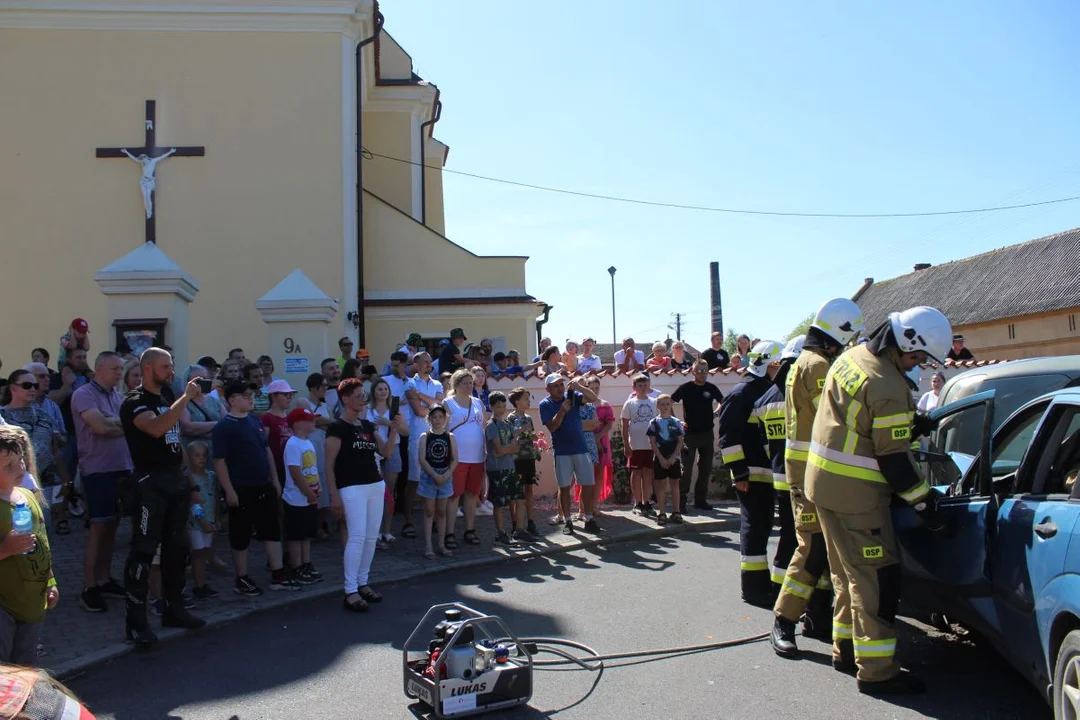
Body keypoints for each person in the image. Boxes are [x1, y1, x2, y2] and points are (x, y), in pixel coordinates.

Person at [806, 306, 951, 695]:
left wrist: (909, 422)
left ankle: (846, 649)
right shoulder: (887, 385)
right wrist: (926, 505)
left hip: (822, 486)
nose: (918, 364)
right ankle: (877, 671)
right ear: (905, 343)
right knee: (876, 579)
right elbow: (894, 462)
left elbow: (860, 423)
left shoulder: (852, 357)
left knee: (845, 574)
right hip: (857, 496)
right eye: (918, 356)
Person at [771, 298, 865, 658]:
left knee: (823, 550)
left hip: (811, 471)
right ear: (834, 339)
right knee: (811, 549)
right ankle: (784, 620)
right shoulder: (820, 367)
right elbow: (842, 415)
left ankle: (815, 619)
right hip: (813, 473)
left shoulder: (804, 363)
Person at [119, 347, 206, 648]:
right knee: (143, 552)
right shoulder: (134, 401)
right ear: (147, 369)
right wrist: (186, 399)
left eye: (171, 365)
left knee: (176, 549)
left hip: (176, 482)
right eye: (165, 366)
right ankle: (136, 622)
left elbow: (174, 439)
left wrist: (191, 483)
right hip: (150, 484)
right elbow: (156, 428)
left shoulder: (167, 397)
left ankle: (174, 609)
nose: (171, 372)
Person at [212, 379, 298, 597]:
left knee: (271, 530)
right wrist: (229, 490)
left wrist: (275, 480)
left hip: (264, 485)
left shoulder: (254, 421)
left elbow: (266, 450)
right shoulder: (224, 427)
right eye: (245, 395)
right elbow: (219, 461)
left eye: (251, 395)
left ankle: (278, 574)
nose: (251, 398)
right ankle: (241, 578)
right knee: (240, 534)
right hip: (241, 488)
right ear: (232, 400)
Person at [718, 340, 783, 606]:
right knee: (754, 527)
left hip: (767, 472)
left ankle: (761, 583)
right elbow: (727, 437)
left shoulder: (764, 389)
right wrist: (739, 473)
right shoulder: (741, 393)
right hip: (751, 473)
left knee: (764, 524)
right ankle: (754, 588)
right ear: (770, 364)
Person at [71, 351, 132, 613]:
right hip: (98, 471)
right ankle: (89, 586)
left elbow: (124, 425)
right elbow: (101, 428)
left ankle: (104, 579)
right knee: (98, 527)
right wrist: (119, 424)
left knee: (112, 527)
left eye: (121, 369)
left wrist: (116, 423)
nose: (120, 373)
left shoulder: (117, 397)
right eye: (115, 369)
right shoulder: (84, 394)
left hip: (122, 469)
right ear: (99, 369)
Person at [326, 378, 393, 612]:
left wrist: (394, 428)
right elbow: (329, 464)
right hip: (351, 486)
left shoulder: (368, 426)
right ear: (345, 399)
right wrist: (333, 496)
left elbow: (385, 451)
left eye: (363, 394)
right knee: (356, 536)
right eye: (357, 394)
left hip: (375, 484)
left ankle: (363, 583)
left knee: (370, 537)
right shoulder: (337, 427)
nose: (362, 398)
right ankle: (350, 590)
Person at [0, 425, 59, 666]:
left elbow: (43, 545)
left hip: (33, 602)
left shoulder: (28, 496)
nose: (20, 468)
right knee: (4, 672)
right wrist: (6, 549)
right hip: (4, 604)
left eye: (21, 460)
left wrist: (51, 581)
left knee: (26, 669)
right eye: (8, 466)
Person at [752, 337, 803, 605]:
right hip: (802, 477)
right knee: (804, 541)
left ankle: (777, 588)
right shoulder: (801, 393)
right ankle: (799, 598)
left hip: (779, 474)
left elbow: (761, 435)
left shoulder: (766, 399)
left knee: (787, 535)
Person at [1, 371, 63, 534]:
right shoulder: (2, 417)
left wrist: (66, 482)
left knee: (43, 530)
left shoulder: (44, 415)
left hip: (44, 483)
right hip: (13, 486)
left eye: (35, 385)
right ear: (13, 388)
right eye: (27, 385)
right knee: (19, 532)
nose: (32, 389)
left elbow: (55, 449)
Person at [541, 375, 603, 535]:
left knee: (588, 484)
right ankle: (567, 521)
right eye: (555, 386)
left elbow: (594, 399)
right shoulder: (545, 404)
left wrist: (580, 387)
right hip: (562, 451)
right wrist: (562, 411)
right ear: (548, 389)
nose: (560, 388)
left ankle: (589, 518)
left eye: (561, 384)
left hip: (581, 448)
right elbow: (553, 427)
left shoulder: (573, 396)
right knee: (564, 487)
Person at [672, 359, 723, 512]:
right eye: (699, 371)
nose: (702, 374)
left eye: (705, 371)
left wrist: (716, 413)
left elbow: (723, 401)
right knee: (686, 469)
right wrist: (677, 421)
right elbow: (670, 401)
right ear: (693, 371)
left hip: (707, 434)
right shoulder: (686, 388)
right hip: (689, 435)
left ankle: (700, 500)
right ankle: (681, 502)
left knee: (706, 468)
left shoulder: (711, 388)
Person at [443, 369, 486, 548]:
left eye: (471, 383)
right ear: (456, 385)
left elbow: (482, 426)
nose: (469, 386)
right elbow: (443, 430)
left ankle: (470, 530)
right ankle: (449, 533)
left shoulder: (478, 402)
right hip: (457, 458)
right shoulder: (448, 403)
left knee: (471, 494)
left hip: (477, 457)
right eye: (465, 383)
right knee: (453, 496)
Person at [486, 392, 535, 545]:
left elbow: (512, 444)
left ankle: (519, 530)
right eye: (498, 406)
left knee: (520, 499)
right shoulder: (491, 425)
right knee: (499, 503)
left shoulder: (506, 423)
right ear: (491, 407)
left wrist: (510, 446)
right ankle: (500, 533)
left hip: (510, 467)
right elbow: (498, 450)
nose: (501, 409)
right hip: (497, 469)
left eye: (503, 406)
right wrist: (509, 448)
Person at [404, 353, 443, 541]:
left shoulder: (437, 384)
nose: (429, 364)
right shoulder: (409, 383)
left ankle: (435, 519)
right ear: (416, 364)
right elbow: (419, 412)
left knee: (435, 479)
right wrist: (432, 405)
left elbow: (440, 409)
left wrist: (420, 396)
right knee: (413, 480)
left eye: (429, 360)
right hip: (417, 438)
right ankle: (408, 521)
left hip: (436, 439)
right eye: (425, 361)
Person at [282, 408, 323, 585]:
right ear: (298, 424)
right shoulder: (292, 444)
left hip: (309, 498)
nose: (313, 422)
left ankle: (306, 563)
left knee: (307, 534)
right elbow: (296, 473)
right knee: (296, 536)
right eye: (310, 420)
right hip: (296, 499)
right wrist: (308, 493)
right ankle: (296, 566)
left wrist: (318, 487)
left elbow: (313, 468)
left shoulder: (308, 443)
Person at [368, 378, 407, 548]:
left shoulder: (394, 410)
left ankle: (387, 530)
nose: (383, 391)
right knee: (375, 495)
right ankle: (374, 531)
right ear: (373, 392)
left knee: (389, 494)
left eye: (385, 389)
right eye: (379, 389)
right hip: (372, 452)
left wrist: (390, 424)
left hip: (393, 450)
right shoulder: (367, 410)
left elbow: (406, 431)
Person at [417, 404, 456, 559]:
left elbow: (455, 459)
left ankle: (441, 544)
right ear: (429, 419)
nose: (437, 420)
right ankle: (428, 546)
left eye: (441, 417)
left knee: (441, 512)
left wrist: (445, 475)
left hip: (445, 476)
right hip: (429, 477)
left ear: (445, 419)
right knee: (429, 512)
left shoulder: (450, 437)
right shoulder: (424, 437)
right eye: (434, 417)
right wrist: (434, 475)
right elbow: (422, 459)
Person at [296, 373, 333, 537]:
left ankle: (319, 526)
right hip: (308, 449)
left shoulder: (327, 406)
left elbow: (332, 424)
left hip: (323, 448)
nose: (325, 389)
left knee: (322, 486)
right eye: (323, 386)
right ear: (313, 387)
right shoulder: (303, 402)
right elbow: (312, 420)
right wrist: (320, 421)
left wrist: (321, 421)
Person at [185, 440, 219, 599]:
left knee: (205, 552)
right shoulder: (189, 479)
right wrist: (204, 522)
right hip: (196, 524)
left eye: (204, 455)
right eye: (196, 455)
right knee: (198, 553)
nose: (201, 459)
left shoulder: (211, 477)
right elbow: (193, 504)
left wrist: (216, 519)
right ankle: (198, 585)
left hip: (210, 520)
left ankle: (203, 583)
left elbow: (216, 499)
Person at [621, 374, 658, 515]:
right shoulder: (630, 403)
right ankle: (637, 503)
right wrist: (626, 445)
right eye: (639, 385)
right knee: (636, 473)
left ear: (649, 386)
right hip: (635, 445)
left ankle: (646, 501)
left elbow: (658, 423)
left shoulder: (654, 402)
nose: (643, 388)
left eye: (645, 385)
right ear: (634, 387)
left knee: (648, 473)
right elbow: (624, 426)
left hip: (650, 445)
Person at [647, 394, 685, 525]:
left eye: (667, 404)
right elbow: (652, 443)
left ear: (671, 405)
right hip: (659, 458)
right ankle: (662, 513)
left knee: (675, 485)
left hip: (674, 459)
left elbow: (680, 442)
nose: (665, 407)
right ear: (657, 406)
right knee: (661, 486)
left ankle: (676, 512)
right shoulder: (653, 423)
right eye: (662, 404)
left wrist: (674, 457)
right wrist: (661, 458)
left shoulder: (676, 422)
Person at [507, 387, 541, 535]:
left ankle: (531, 522)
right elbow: (509, 437)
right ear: (517, 401)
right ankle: (515, 523)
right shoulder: (511, 418)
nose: (528, 401)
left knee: (528, 489)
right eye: (525, 399)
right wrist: (521, 430)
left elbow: (531, 435)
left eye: (529, 398)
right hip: (516, 459)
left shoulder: (529, 418)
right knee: (515, 492)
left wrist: (534, 438)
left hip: (528, 458)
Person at [261, 379, 297, 488]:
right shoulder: (266, 418)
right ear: (273, 396)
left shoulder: (290, 417)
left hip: (291, 466)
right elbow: (264, 446)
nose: (289, 397)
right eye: (285, 394)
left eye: (291, 394)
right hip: (277, 468)